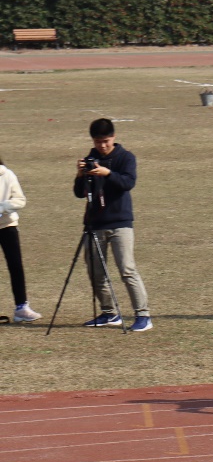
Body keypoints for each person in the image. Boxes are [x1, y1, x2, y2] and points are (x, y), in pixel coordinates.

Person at [74, 118, 152, 331]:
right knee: (96, 271)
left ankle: (143, 314)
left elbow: (128, 182)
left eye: (106, 141)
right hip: (94, 223)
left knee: (127, 268)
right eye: (98, 141)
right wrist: (81, 175)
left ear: (114, 138)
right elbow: (79, 193)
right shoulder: (91, 159)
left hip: (120, 223)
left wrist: (107, 173)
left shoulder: (125, 157)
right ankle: (109, 312)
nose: (102, 146)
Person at [0, 157, 38, 323]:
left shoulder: (7, 175)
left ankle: (21, 307)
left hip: (7, 225)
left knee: (15, 265)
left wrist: (2, 207)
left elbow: (20, 200)